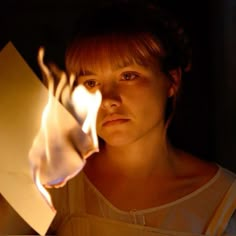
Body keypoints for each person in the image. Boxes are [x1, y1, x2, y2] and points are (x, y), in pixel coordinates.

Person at [1, 2, 236, 235]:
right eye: (91, 83)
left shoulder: (222, 201)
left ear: (171, 81)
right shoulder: (56, 185)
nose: (108, 99)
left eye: (128, 76)